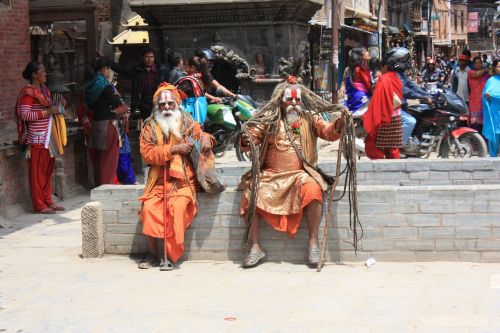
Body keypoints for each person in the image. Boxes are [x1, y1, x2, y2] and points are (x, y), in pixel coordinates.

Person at [238, 76, 344, 267]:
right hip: (270, 175)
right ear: (280, 100)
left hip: (300, 174)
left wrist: (338, 125)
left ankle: (313, 243)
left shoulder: (310, 117)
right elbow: (252, 136)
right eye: (289, 99)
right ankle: (255, 247)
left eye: (297, 100)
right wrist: (247, 139)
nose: (294, 104)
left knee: (313, 190)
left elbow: (327, 131)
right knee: (250, 192)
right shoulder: (270, 118)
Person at [138, 84, 214, 270]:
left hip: (183, 182)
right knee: (148, 210)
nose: (166, 108)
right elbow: (146, 153)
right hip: (157, 181)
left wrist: (206, 138)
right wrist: (173, 149)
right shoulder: (149, 126)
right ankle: (155, 254)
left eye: (170, 104)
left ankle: (170, 256)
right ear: (157, 106)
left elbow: (205, 136)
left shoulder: (188, 123)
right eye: (162, 104)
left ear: (177, 105)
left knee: (177, 210)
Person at [15, 62, 65, 214]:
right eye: (42, 71)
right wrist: (48, 112)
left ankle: (48, 200)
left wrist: (59, 106)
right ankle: (39, 205)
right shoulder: (28, 93)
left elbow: (49, 109)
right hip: (37, 138)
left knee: (47, 170)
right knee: (37, 173)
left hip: (49, 136)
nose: (45, 74)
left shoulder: (44, 91)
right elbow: (24, 115)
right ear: (34, 75)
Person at [83, 58, 127, 187]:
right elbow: (120, 105)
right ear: (105, 69)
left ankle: (99, 186)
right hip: (108, 125)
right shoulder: (105, 85)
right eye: (109, 69)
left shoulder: (88, 84)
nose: (109, 72)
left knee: (99, 160)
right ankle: (106, 188)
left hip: (95, 124)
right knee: (108, 160)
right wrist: (116, 112)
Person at [102, 48, 168, 120]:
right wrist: (106, 60)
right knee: (146, 124)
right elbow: (121, 69)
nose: (150, 59)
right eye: (147, 57)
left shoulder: (161, 70)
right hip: (143, 103)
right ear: (143, 58)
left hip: (158, 101)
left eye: (152, 57)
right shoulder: (136, 70)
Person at [363, 51, 404, 160]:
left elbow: (377, 101)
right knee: (392, 148)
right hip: (397, 118)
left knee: (372, 146)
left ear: (385, 66)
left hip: (386, 119)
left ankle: (382, 168)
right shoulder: (397, 79)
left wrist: (370, 116)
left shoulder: (384, 80)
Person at [392, 48, 433, 147]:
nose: (407, 62)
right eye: (405, 60)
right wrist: (422, 96)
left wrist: (428, 95)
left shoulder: (401, 74)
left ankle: (416, 140)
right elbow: (405, 91)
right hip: (395, 107)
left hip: (402, 105)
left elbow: (413, 86)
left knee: (420, 115)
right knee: (411, 121)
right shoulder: (395, 75)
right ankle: (399, 146)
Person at [344, 48, 372, 115]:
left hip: (354, 98)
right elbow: (368, 85)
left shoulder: (351, 69)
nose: (367, 52)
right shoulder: (360, 69)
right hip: (363, 99)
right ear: (360, 56)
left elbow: (347, 87)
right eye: (365, 51)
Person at [482, 59, 500, 157]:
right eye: (498, 66)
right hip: (494, 113)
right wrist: (487, 96)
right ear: (494, 67)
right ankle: (493, 157)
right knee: (495, 134)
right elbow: (484, 96)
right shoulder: (491, 81)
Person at [468, 56, 490, 132]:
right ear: (473, 65)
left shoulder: (486, 75)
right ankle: (476, 142)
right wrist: (485, 69)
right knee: (475, 124)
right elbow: (477, 74)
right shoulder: (471, 72)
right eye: (476, 63)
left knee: (485, 124)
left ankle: (484, 142)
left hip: (485, 101)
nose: (479, 65)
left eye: (480, 63)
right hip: (474, 102)